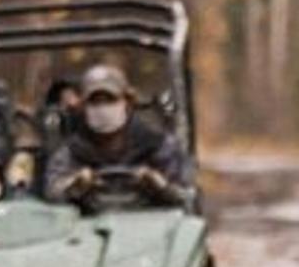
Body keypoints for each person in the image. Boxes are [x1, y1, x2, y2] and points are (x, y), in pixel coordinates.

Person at [42, 63, 192, 210]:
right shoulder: (71, 152)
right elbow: (51, 195)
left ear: (128, 102)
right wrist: (75, 185)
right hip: (88, 228)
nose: (102, 109)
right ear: (83, 107)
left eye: (110, 100)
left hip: (154, 226)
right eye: (94, 101)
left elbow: (186, 197)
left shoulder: (158, 146)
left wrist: (159, 185)